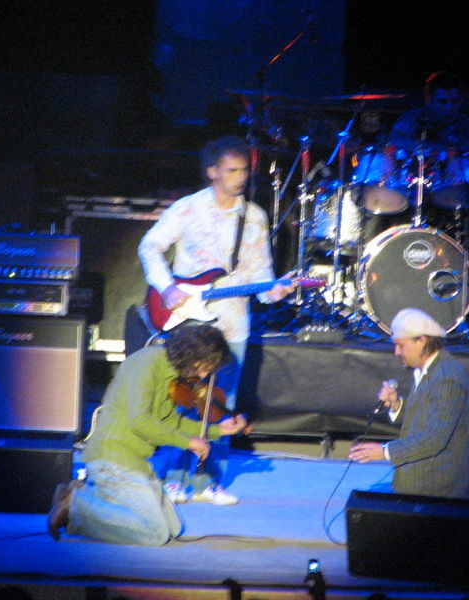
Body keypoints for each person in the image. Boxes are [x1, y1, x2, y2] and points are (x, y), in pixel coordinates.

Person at [138, 135, 294, 505]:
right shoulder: (188, 208)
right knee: (184, 398)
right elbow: (150, 246)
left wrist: (276, 290)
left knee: (221, 403)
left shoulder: (254, 216)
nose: (240, 177)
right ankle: (172, 477)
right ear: (212, 172)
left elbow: (261, 273)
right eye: (232, 170)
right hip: (191, 323)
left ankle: (208, 481)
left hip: (233, 324)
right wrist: (166, 287)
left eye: (244, 170)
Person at [46, 324, 249, 545]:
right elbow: (140, 421)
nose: (204, 375)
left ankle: (89, 494)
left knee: (174, 528)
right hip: (111, 457)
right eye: (205, 368)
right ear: (192, 354)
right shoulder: (146, 363)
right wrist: (188, 442)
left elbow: (170, 421)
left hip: (138, 462)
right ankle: (74, 508)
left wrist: (218, 430)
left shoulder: (175, 375)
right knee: (155, 533)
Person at [348, 308, 469, 499]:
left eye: (400, 345)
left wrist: (385, 452)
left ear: (421, 340)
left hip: (439, 489)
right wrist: (396, 405)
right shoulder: (428, 369)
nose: (396, 352)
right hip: (424, 482)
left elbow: (434, 439)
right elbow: (425, 416)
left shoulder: (446, 378)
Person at [388, 71, 469, 284]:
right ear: (429, 99)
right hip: (418, 194)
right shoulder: (415, 118)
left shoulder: (467, 124)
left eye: (454, 101)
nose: (450, 107)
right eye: (443, 102)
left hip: (459, 196)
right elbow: (394, 138)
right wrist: (427, 147)